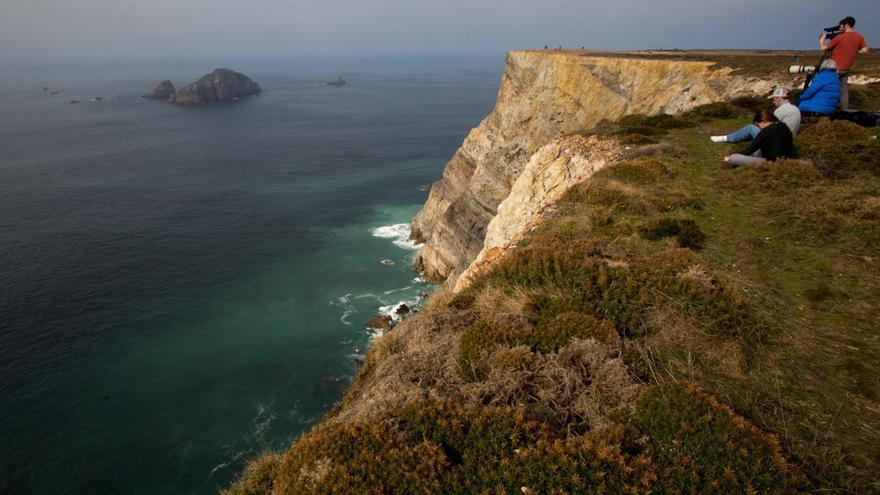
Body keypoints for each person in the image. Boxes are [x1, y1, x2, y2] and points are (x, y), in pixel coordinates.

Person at [710, 87, 801, 143]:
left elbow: (770, 128)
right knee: (753, 129)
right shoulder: (795, 108)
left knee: (750, 127)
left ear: (780, 98)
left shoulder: (780, 111)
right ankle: (738, 137)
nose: (773, 101)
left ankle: (725, 138)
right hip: (790, 138)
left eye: (774, 99)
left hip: (777, 140)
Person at [821, 16, 869, 110]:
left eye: (842, 26)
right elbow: (865, 50)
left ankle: (828, 107)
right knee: (843, 90)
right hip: (847, 68)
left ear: (846, 25)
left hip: (835, 68)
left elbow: (824, 48)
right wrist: (854, 51)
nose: (840, 27)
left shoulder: (840, 37)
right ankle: (844, 109)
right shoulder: (859, 37)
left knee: (829, 87)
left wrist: (821, 41)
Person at [723, 110, 795, 167]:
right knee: (757, 151)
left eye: (758, 125)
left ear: (763, 121)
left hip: (772, 163)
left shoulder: (766, 131)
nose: (759, 127)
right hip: (788, 159)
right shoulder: (784, 126)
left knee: (733, 158)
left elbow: (750, 149)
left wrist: (730, 157)